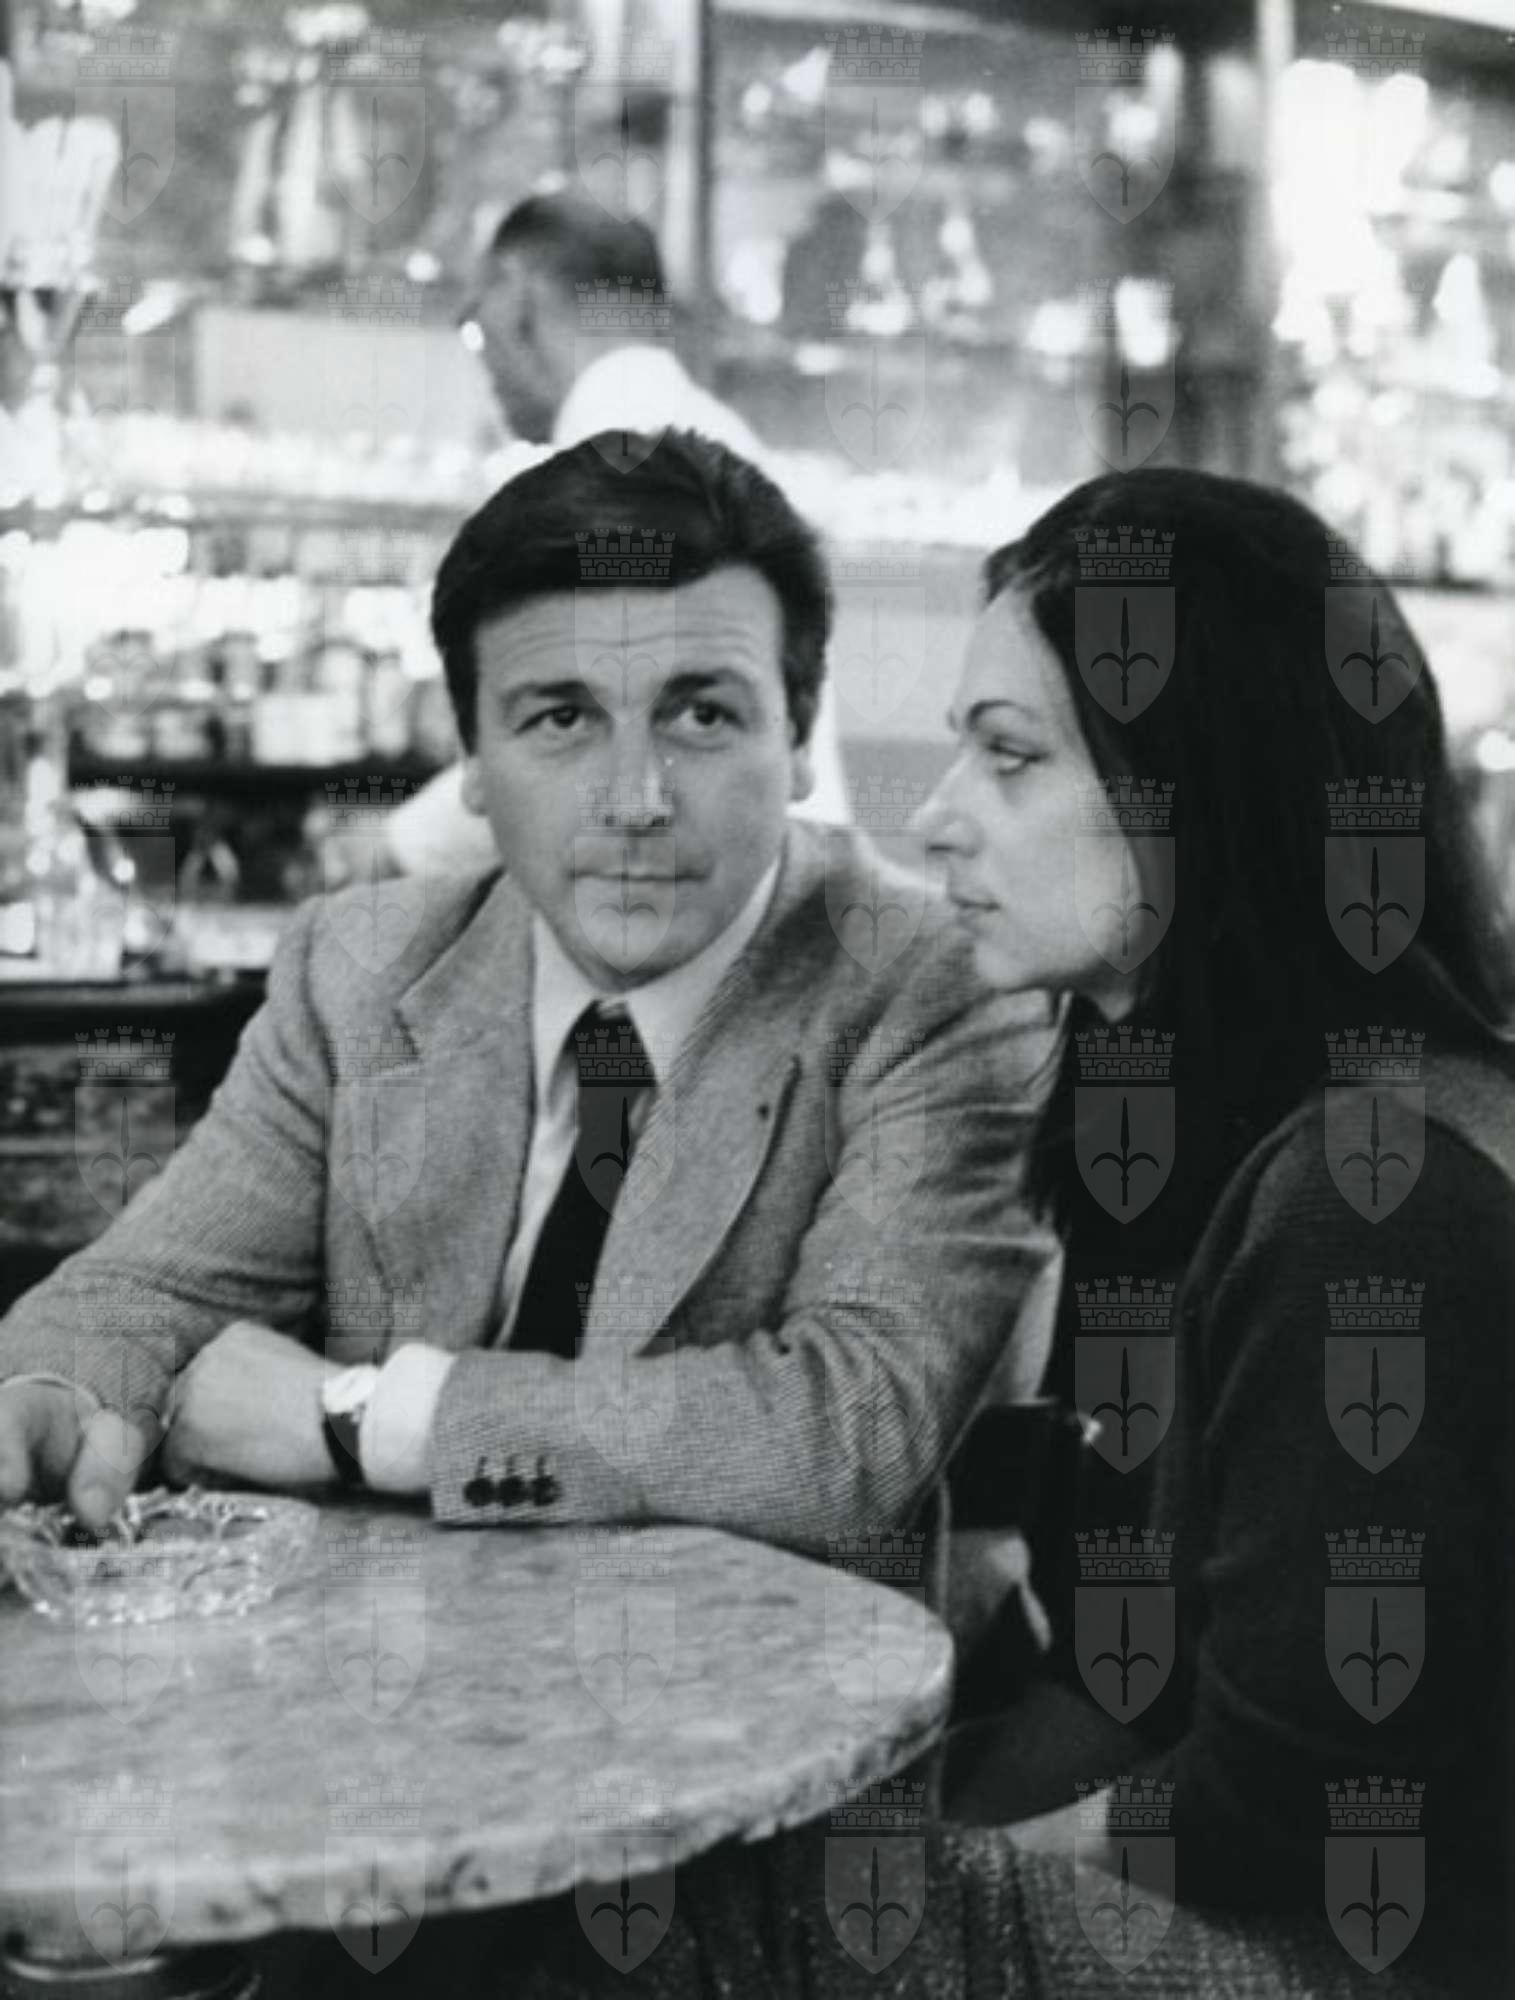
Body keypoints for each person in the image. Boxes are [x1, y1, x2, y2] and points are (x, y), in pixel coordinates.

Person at [0, 431, 1058, 1595]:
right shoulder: (362, 963)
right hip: (366, 1668)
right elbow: (149, 1288)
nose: (635, 800)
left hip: (764, 1682)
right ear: (469, 758)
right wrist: (51, 1393)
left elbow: (850, 1426)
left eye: (701, 715)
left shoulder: (934, 983)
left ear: (799, 740)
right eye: (562, 718)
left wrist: (365, 1417)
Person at [914, 468, 1515, 1976]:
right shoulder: (1175, 1120)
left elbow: (1290, 1799)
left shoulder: (1370, 1198)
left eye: (1009, 757)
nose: (934, 820)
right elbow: (1124, 1670)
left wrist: (935, 1889)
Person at [372, 188, 850, 880]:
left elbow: (573, 721)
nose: (484, 364)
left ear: (515, 300)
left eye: (476, 327)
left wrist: (396, 849)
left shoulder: (619, 461)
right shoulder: (711, 436)